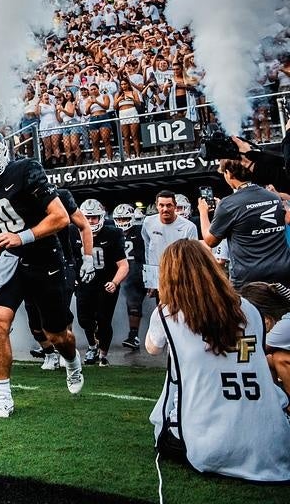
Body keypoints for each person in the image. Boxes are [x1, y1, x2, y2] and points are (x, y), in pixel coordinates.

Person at [0, 127, 85, 418]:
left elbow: (60, 218)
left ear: (1, 154)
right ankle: (3, 395)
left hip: (44, 255)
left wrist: (23, 236)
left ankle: (71, 360)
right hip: (12, 258)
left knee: (57, 335)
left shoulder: (25, 170)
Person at [145, 240, 290, 482]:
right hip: (269, 442)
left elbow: (152, 348)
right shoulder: (250, 310)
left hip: (206, 445)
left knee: (166, 428)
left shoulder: (167, 313)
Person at [200, 158, 290, 287]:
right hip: (283, 272)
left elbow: (210, 240)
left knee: (249, 308)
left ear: (229, 173)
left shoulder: (228, 204)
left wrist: (203, 212)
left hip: (249, 278)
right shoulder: (272, 196)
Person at [73, 199, 128, 365]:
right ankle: (92, 346)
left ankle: (103, 354)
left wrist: (115, 282)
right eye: (87, 217)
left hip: (106, 282)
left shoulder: (113, 233)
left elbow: (123, 265)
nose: (90, 221)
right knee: (84, 319)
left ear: (101, 217)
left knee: (103, 320)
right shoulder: (72, 232)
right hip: (84, 281)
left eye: (94, 217)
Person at [142, 190, 198, 294]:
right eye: (161, 205)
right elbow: (148, 248)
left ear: (175, 206)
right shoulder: (148, 222)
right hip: (159, 276)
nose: (165, 209)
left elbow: (193, 258)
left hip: (181, 277)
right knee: (162, 307)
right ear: (157, 206)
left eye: (169, 205)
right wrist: (151, 280)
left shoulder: (189, 227)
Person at [113, 203, 147, 350]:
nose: (122, 222)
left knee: (133, 302)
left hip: (137, 273)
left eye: (125, 218)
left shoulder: (140, 231)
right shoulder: (111, 232)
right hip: (118, 273)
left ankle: (134, 336)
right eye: (119, 219)